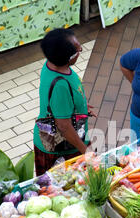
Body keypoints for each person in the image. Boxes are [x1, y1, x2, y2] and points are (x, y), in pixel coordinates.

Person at [33, 28, 96, 176]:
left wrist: (80, 107)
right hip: (62, 148)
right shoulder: (60, 85)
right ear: (68, 58)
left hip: (70, 136)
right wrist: (86, 151)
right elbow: (64, 126)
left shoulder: (51, 63)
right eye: (77, 50)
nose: (80, 49)